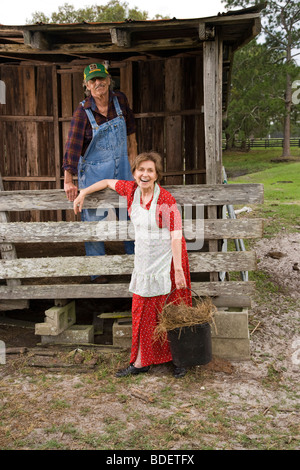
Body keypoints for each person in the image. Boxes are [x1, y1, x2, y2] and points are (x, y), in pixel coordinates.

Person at [73, 151, 192, 378]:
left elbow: (177, 235)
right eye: (141, 170)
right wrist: (84, 192)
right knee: (142, 310)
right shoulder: (130, 190)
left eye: (150, 170)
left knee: (172, 311)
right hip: (145, 260)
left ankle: (179, 358)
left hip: (169, 261)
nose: (145, 174)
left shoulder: (166, 200)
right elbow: (108, 181)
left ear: (157, 175)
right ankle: (141, 362)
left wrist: (177, 270)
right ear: (135, 173)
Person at [63, 63, 137, 283]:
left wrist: (134, 172)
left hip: (123, 169)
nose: (98, 84)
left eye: (101, 79)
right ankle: (98, 272)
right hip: (94, 173)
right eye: (92, 81)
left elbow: (131, 137)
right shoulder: (82, 112)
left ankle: (135, 264)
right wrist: (69, 180)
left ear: (108, 80)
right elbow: (72, 148)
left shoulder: (120, 101)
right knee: (94, 221)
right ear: (86, 85)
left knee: (130, 216)